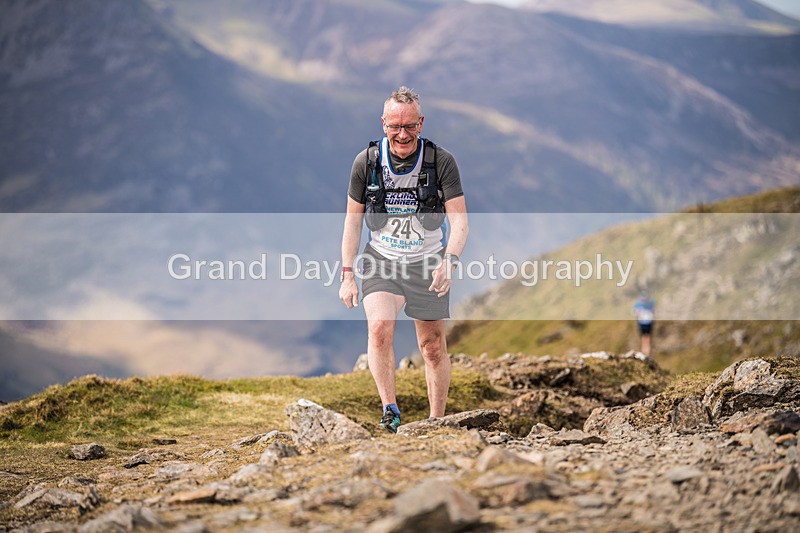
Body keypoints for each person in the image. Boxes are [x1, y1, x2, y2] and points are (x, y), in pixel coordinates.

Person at [339, 87, 468, 433]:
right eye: (395, 126)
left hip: (428, 264)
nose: (402, 134)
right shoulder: (365, 163)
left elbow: (460, 222)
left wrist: (449, 261)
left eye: (410, 126)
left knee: (432, 347)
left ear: (421, 123)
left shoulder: (441, 162)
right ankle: (390, 412)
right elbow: (352, 223)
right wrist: (348, 275)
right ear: (383, 124)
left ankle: (436, 420)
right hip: (381, 261)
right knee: (379, 329)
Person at [633, 291, 655, 356]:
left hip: (648, 323)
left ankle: (646, 352)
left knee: (647, 338)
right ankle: (644, 352)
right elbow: (635, 312)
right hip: (642, 323)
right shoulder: (638, 304)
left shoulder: (651, 304)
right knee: (643, 338)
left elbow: (653, 311)